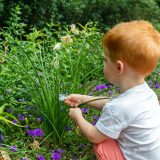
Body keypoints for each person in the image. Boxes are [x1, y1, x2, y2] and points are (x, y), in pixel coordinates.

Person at [64, 20, 160, 160]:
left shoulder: (119, 107)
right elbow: (114, 104)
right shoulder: (147, 94)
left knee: (102, 144)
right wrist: (83, 99)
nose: (103, 63)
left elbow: (94, 136)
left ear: (119, 67)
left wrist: (78, 117)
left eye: (105, 60)